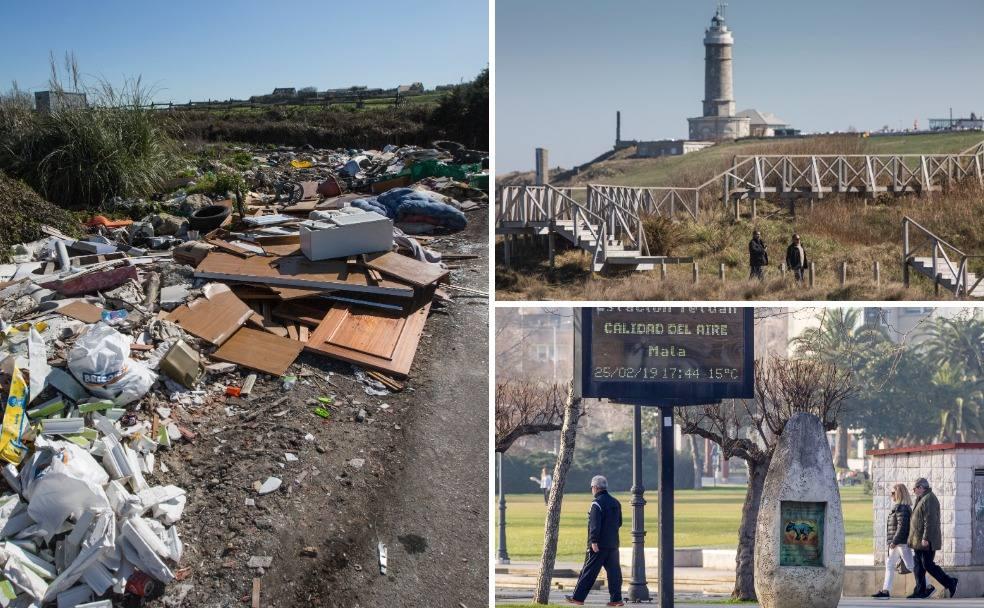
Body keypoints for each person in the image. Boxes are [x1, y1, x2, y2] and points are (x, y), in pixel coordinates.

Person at [565, 475, 624, 606]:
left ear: (596, 488)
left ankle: (578, 598)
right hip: (613, 544)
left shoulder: (596, 503)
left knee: (588, 572)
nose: (592, 490)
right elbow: (619, 522)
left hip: (598, 545)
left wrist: (594, 541)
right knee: (614, 573)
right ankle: (616, 600)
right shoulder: (616, 502)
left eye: (592, 487)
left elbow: (594, 524)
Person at [907, 478, 959, 599]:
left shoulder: (929, 499)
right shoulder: (922, 498)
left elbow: (930, 520)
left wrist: (925, 538)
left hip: (925, 540)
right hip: (918, 540)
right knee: (918, 566)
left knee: (927, 565)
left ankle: (950, 582)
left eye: (915, 488)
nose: (913, 491)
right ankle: (920, 591)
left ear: (920, 487)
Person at [871, 484, 914, 598]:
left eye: (893, 493)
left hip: (900, 543)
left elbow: (902, 527)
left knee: (911, 566)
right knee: (890, 564)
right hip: (896, 543)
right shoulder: (899, 507)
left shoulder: (902, 508)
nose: (891, 495)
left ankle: (927, 586)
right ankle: (886, 591)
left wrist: (894, 541)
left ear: (899, 493)